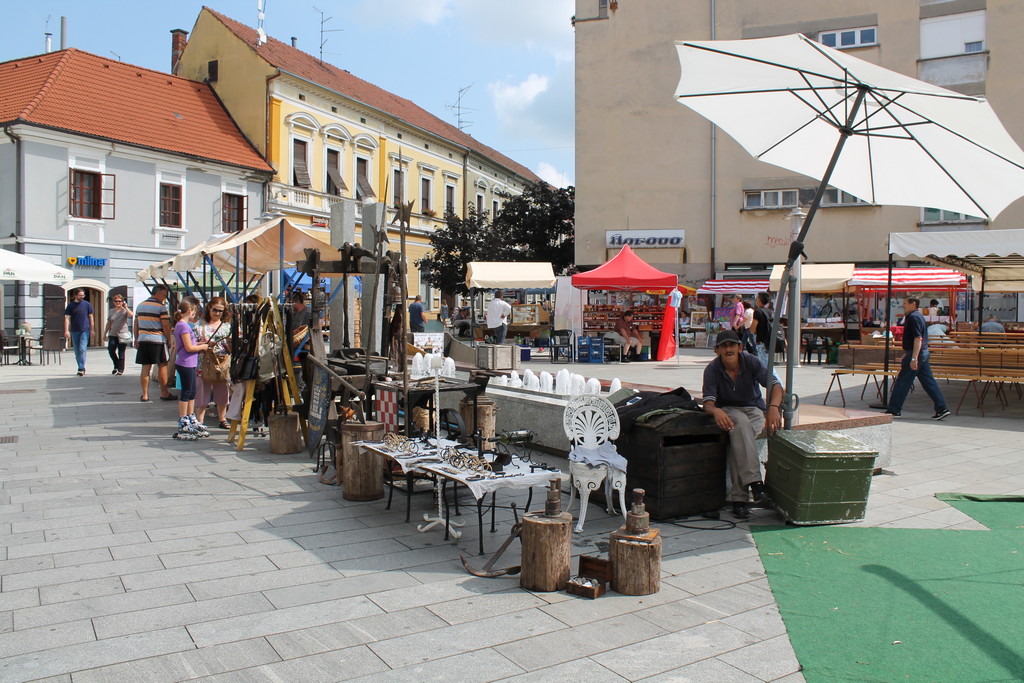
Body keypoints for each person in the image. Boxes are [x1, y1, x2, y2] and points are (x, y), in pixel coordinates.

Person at [702, 329, 783, 518]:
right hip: (728, 411)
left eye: (732, 345)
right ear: (717, 350)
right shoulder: (712, 370)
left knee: (741, 433)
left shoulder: (751, 362)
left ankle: (740, 498)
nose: (728, 349)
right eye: (724, 346)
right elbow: (707, 404)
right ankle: (755, 484)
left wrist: (773, 407)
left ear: (740, 347)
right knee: (739, 422)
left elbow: (776, 386)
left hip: (753, 410)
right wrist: (716, 410)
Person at [884, 297, 950, 420]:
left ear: (913, 304)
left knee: (903, 381)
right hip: (920, 352)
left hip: (917, 354)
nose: (903, 306)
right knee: (928, 382)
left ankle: (894, 409)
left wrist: (913, 357)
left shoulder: (914, 317)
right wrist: (909, 353)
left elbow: (917, 338)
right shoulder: (917, 316)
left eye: (905, 303)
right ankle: (942, 408)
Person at [172, 300, 210, 440]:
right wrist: (202, 348)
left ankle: (190, 417)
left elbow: (189, 344)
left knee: (192, 392)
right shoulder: (183, 326)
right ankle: (183, 420)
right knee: (187, 392)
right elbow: (188, 347)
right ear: (190, 311)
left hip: (190, 362)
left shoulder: (183, 326)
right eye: (194, 311)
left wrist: (200, 344)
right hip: (185, 362)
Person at [195, 297, 232, 429]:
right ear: (209, 308)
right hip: (204, 362)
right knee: (202, 392)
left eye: (220, 311)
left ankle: (222, 419)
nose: (217, 313)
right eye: (215, 310)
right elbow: (191, 343)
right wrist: (205, 344)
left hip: (222, 362)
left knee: (222, 391)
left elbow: (231, 346)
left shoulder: (227, 326)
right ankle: (199, 420)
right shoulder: (199, 325)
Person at [134, 284, 176, 402]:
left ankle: (145, 394)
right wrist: (168, 339)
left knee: (145, 367)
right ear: (158, 293)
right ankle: (164, 392)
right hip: (158, 340)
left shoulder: (140, 306)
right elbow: (165, 325)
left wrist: (136, 338)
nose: (165, 297)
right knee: (162, 366)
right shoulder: (161, 307)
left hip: (143, 339)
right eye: (164, 295)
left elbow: (136, 324)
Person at [63, 289, 94, 376]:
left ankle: (81, 367)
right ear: (75, 295)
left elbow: (91, 317)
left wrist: (92, 329)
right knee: (77, 351)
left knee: (82, 348)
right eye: (80, 295)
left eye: (83, 295)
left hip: (85, 329)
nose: (82, 297)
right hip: (74, 330)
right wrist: (66, 330)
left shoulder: (87, 304)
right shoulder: (71, 305)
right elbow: (67, 318)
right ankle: (80, 366)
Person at [103, 294, 133, 375]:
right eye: (116, 301)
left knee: (121, 353)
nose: (118, 303)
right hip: (113, 333)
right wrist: (105, 333)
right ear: (113, 302)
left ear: (122, 302)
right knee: (111, 350)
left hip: (123, 334)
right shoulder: (111, 311)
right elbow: (109, 322)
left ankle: (120, 369)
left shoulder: (124, 311)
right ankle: (116, 365)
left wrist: (126, 307)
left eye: (119, 301)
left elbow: (131, 315)